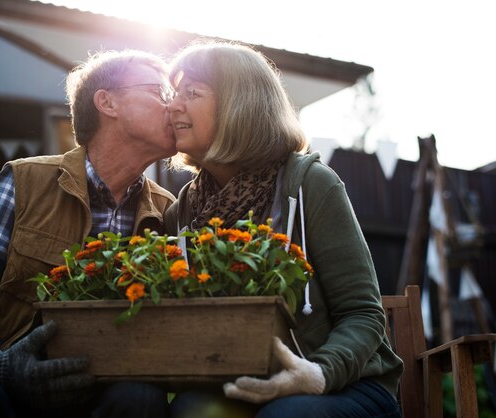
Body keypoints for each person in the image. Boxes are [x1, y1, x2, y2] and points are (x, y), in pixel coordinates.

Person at [0, 49, 177, 418]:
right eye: (159, 92)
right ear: (106, 102)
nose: (172, 107)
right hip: (7, 382)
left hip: (105, 386)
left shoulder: (169, 209)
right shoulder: (23, 180)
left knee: (140, 397)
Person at [164, 41, 404, 418]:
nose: (173, 105)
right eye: (174, 94)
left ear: (237, 105)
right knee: (191, 410)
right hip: (245, 386)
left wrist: (318, 372)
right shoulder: (182, 211)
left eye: (191, 92)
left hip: (345, 384)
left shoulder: (309, 185)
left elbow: (363, 312)